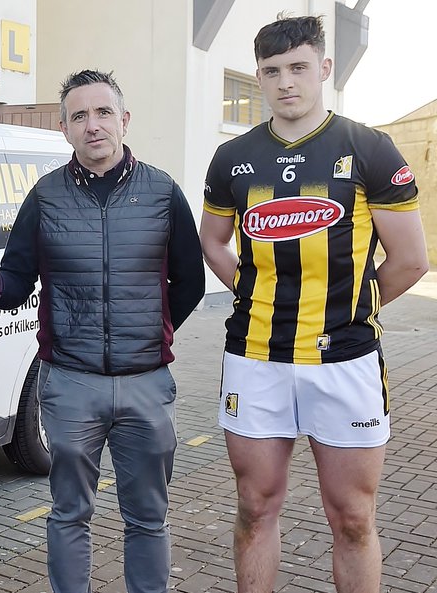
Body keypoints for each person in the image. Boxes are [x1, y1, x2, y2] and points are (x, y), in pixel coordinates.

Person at [199, 15, 428, 593]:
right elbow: (212, 241)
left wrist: (349, 307)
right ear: (258, 78)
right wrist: (253, 295)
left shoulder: (369, 148)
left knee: (352, 517)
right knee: (255, 506)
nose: (286, 83)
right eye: (272, 71)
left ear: (324, 68)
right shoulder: (233, 159)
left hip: (346, 360)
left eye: (299, 67)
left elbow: (410, 260)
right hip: (255, 359)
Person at [0, 69, 205, 593]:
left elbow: (190, 282)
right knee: (68, 514)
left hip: (146, 384)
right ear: (65, 129)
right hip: (70, 386)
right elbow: (15, 281)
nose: (93, 125)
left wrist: (151, 333)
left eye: (103, 112)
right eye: (79, 116)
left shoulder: (162, 191)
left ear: (124, 121)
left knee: (148, 517)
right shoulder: (45, 196)